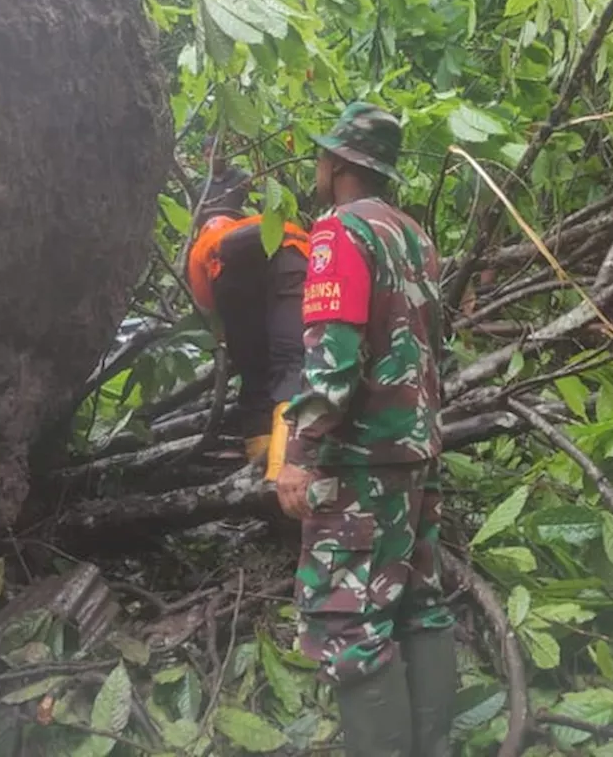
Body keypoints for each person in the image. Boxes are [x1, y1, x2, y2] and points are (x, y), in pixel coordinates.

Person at [274, 103, 456, 757]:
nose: (318, 168)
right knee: (418, 602)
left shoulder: (339, 233)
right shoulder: (416, 237)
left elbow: (333, 362)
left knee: (349, 624)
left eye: (324, 157)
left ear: (342, 164)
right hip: (416, 448)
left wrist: (300, 454)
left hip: (361, 460)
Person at [186, 191, 309, 480]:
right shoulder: (261, 224)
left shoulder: (203, 247)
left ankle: (264, 478)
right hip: (293, 252)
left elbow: (208, 306)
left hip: (228, 270)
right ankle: (281, 470)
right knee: (292, 363)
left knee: (254, 377)